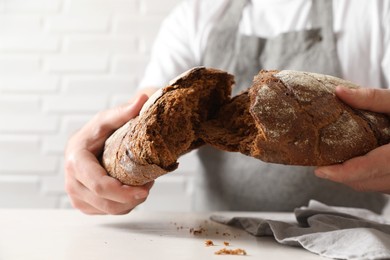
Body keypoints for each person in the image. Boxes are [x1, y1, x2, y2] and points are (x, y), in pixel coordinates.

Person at [64, 0, 390, 215]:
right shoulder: (196, 16)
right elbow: (144, 118)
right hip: (218, 242)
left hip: (346, 246)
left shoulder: (375, 11)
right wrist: (101, 167)